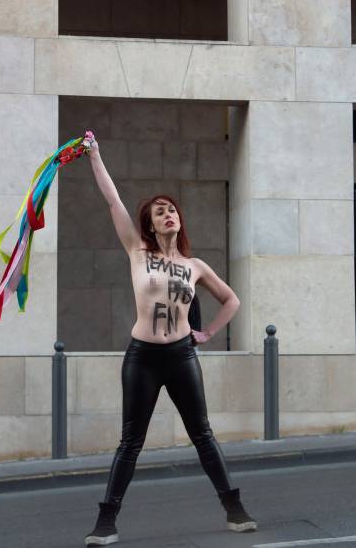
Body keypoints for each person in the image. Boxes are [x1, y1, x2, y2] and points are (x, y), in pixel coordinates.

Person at [83, 137, 256, 545]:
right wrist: (95, 155)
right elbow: (113, 200)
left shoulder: (195, 266)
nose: (168, 215)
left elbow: (231, 299)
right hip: (142, 357)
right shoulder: (137, 251)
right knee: (131, 441)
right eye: (160, 212)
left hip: (181, 356)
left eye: (172, 210)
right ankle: (106, 521)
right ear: (150, 223)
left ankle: (234, 508)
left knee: (203, 434)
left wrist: (209, 332)